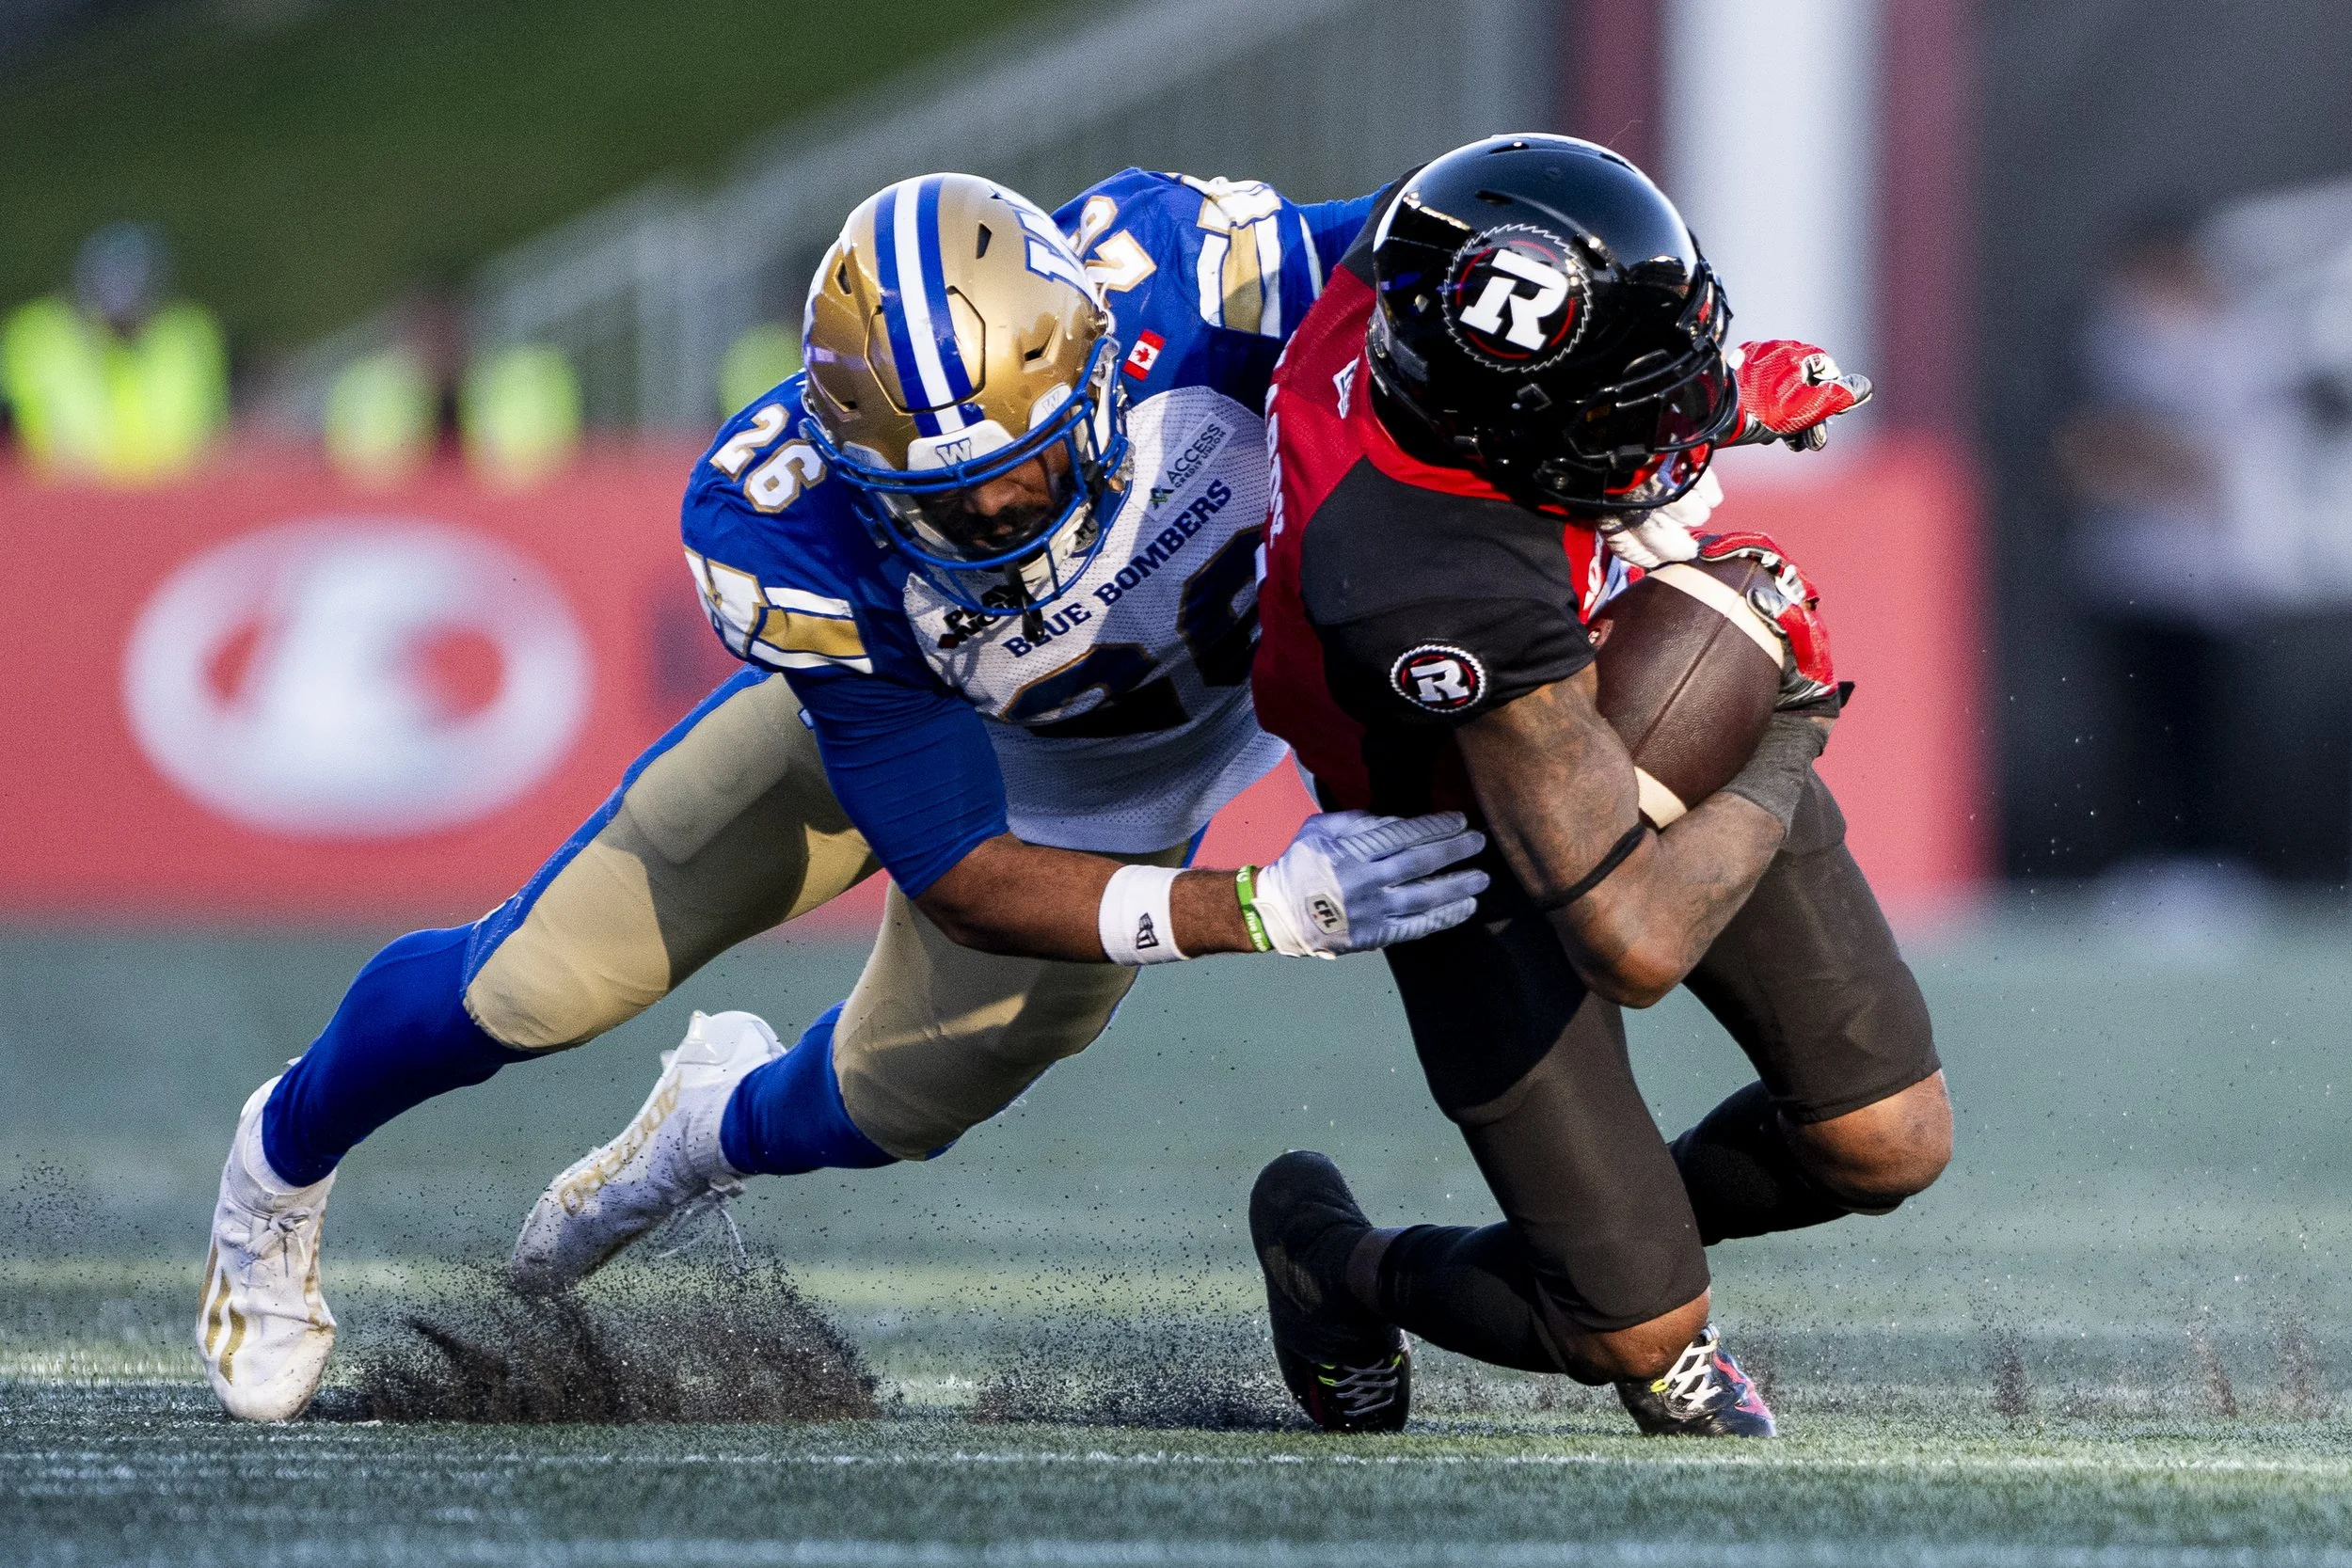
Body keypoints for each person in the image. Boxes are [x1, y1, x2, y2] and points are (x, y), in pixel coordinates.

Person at [198, 167, 1486, 1422]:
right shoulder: (791, 524)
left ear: (1095, 364)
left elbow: (1442, 231)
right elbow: (964, 873)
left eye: (1023, 472)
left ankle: (699, 1135)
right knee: (532, 980)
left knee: (897, 1104)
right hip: (911, 728)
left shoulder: (1209, 283)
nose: (994, 513)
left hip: (1118, 784)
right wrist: (1262, 906)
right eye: (944, 499)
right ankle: (275, 1167)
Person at [1246, 135, 1953, 1438]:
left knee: (1885, 1135)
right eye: (1639, 414)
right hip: (1457, 827)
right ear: (1506, 433)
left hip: (1588, 682)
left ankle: (1625, 1242)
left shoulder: (1433, 255)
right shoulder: (1418, 571)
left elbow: (1535, 317)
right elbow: (1629, 936)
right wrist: (1792, 714)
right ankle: (1335, 1256)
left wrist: (1708, 383)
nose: (1673, 435)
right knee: (1622, 1324)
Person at [0, 223, 227, 482]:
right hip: (59, 500)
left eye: (132, 282)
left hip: (170, 496)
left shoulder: (190, 335)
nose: (121, 294)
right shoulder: (34, 336)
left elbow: (211, 438)